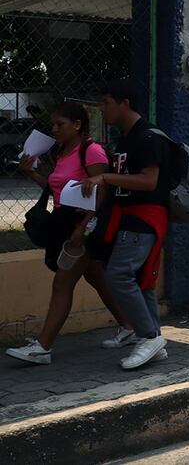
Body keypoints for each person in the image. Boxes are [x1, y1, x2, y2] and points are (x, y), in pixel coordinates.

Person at [5, 103, 131, 366]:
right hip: (65, 221)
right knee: (95, 276)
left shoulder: (92, 151)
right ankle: (129, 326)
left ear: (77, 125)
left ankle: (42, 347)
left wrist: (83, 228)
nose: (54, 129)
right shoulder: (62, 152)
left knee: (63, 282)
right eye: (53, 124)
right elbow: (56, 189)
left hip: (82, 224)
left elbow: (102, 193)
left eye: (60, 124)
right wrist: (31, 173)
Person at [79, 81, 172, 369]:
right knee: (141, 280)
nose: (102, 108)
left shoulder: (147, 137)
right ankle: (153, 337)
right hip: (129, 216)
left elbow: (149, 181)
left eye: (106, 101)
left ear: (125, 103)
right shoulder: (125, 138)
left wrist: (105, 178)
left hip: (145, 217)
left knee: (118, 274)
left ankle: (147, 337)